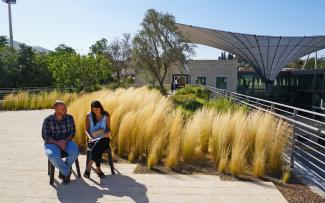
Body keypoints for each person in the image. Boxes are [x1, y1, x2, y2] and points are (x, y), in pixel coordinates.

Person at [42, 100, 79, 184]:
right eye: (63, 109)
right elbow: (45, 136)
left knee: (75, 152)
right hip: (52, 143)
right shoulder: (47, 120)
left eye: (66, 108)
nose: (66, 110)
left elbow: (72, 132)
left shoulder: (70, 117)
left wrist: (65, 141)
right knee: (52, 155)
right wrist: (58, 143)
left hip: (67, 141)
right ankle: (66, 172)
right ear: (56, 109)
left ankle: (62, 171)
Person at [83, 100, 115, 179]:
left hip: (104, 138)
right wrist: (90, 137)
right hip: (92, 139)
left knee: (100, 142)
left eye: (97, 109)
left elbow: (109, 129)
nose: (95, 111)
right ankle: (98, 169)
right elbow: (86, 130)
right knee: (98, 146)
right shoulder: (88, 116)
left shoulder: (106, 115)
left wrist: (106, 134)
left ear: (100, 108)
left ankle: (89, 166)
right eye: (93, 110)